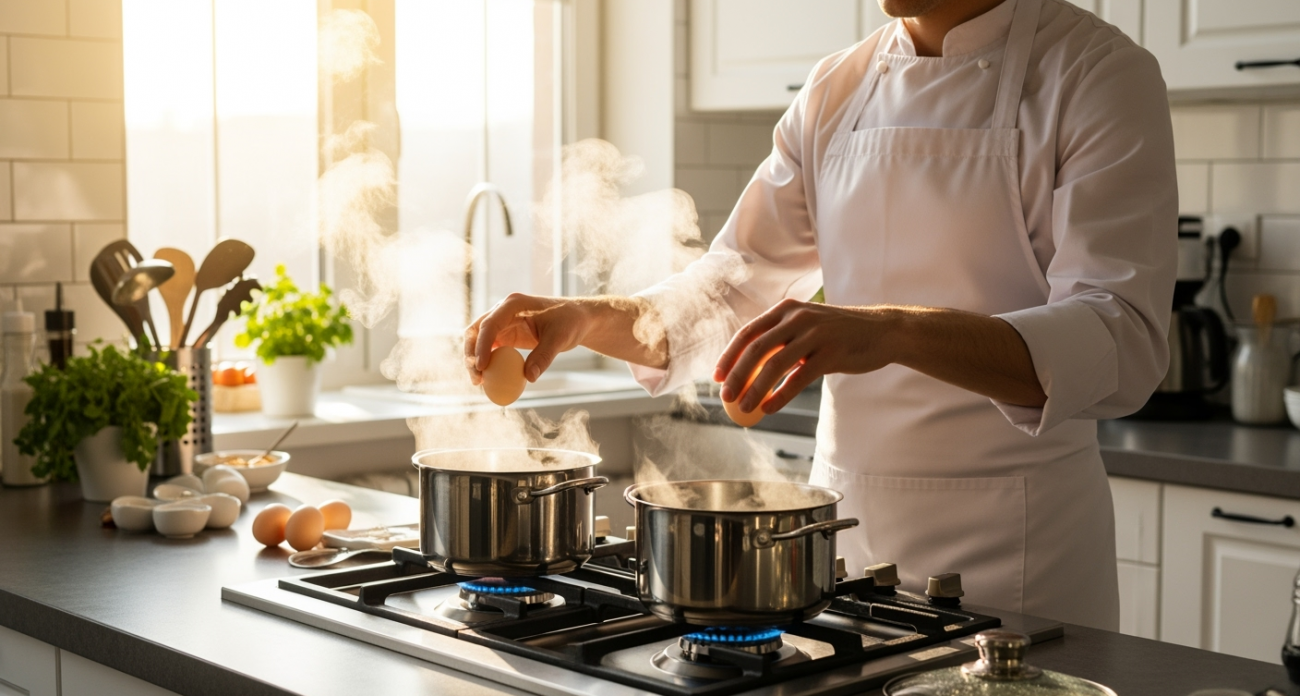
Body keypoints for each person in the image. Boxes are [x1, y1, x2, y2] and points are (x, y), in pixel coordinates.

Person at [464, 0, 1176, 630]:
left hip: (1022, 556)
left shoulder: (1099, 74)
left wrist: (890, 330)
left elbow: (1118, 337)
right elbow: (731, 284)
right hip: (849, 544)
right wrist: (588, 317)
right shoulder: (839, 87)